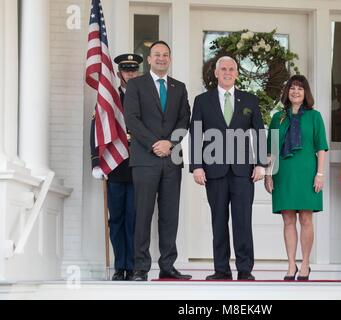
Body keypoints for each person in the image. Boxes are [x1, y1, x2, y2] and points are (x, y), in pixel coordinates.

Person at [189, 56, 266, 281]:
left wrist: (260, 163)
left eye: (232, 69)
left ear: (237, 73)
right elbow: (196, 134)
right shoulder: (202, 101)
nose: (227, 72)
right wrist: (196, 166)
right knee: (218, 221)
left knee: (243, 221)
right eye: (223, 69)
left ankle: (245, 270)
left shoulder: (249, 100)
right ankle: (221, 270)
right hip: (214, 171)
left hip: (243, 171)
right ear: (215, 73)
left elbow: (259, 132)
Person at [124, 41, 192, 281]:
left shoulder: (179, 87)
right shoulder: (136, 85)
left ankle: (167, 266)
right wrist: (156, 143)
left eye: (165, 55)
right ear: (149, 59)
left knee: (170, 214)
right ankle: (140, 268)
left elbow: (185, 119)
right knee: (142, 213)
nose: (161, 58)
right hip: (145, 158)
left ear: (169, 59)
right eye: (157, 55)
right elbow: (131, 119)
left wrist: (170, 143)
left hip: (171, 159)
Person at [264, 75, 328, 281]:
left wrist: (320, 174)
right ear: (287, 92)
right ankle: (291, 264)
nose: (296, 92)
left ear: (305, 93)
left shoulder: (315, 116)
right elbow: (271, 149)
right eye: (292, 88)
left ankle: (306, 264)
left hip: (308, 172)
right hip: (284, 173)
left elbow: (321, 147)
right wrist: (268, 174)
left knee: (306, 218)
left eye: (300, 89)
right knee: (288, 219)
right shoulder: (277, 117)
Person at [90, 53, 142, 281]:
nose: (130, 74)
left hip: (140, 165)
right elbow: (97, 127)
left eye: (133, 70)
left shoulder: (145, 95)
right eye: (126, 70)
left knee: (134, 218)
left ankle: (132, 266)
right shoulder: (108, 98)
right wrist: (96, 161)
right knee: (117, 218)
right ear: (119, 73)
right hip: (115, 166)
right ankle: (119, 265)